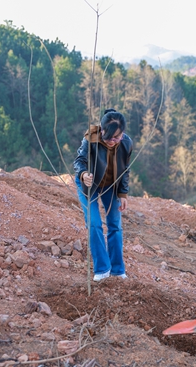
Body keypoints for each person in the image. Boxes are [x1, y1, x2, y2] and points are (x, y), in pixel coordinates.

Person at [73, 109, 132, 281]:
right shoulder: (90, 140)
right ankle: (102, 269)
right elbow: (79, 161)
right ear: (102, 130)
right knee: (94, 224)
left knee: (115, 225)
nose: (114, 141)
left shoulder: (126, 143)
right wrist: (84, 174)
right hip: (89, 184)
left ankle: (117, 269)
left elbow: (125, 170)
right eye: (110, 137)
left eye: (118, 137)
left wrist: (123, 194)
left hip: (111, 186)